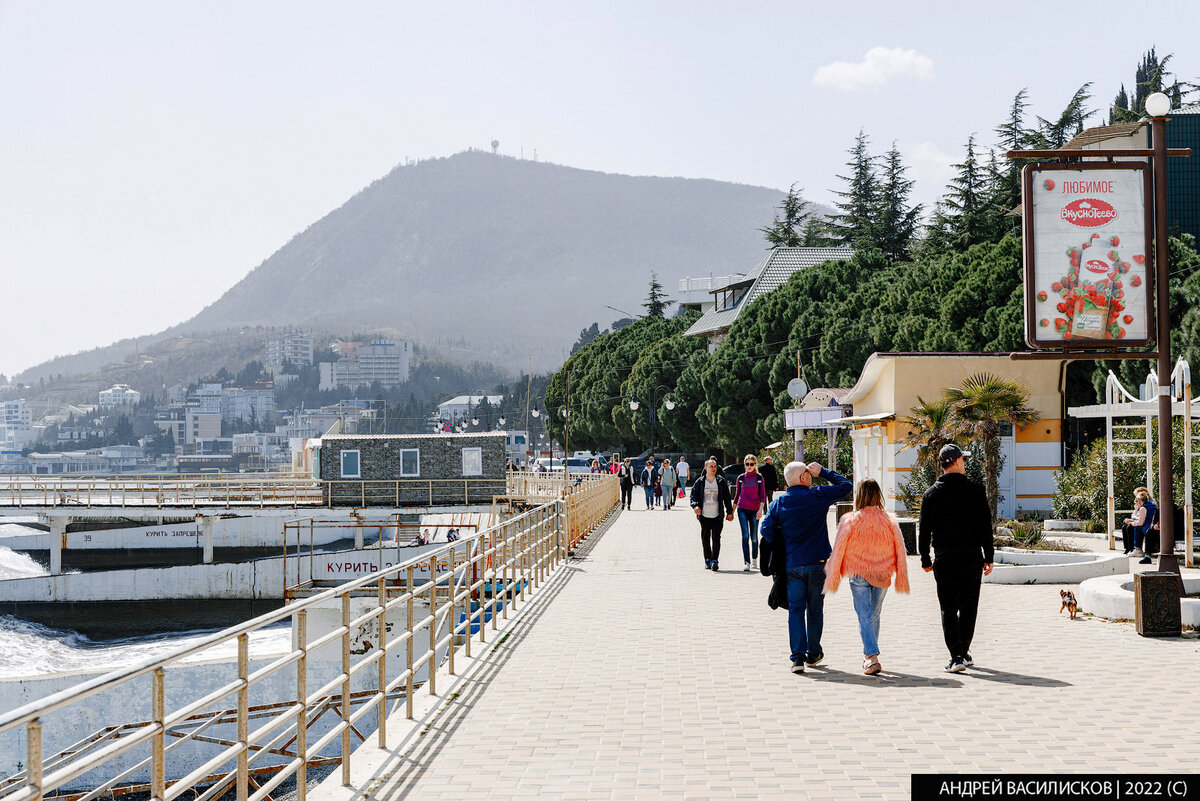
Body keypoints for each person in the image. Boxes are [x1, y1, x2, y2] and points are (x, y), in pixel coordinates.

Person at [760, 461, 853, 673]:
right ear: (803, 478)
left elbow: (766, 530)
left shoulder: (778, 503)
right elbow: (846, 485)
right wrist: (824, 472)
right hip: (817, 563)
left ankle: (797, 659)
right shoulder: (817, 496)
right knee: (815, 610)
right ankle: (813, 653)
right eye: (808, 474)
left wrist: (784, 542)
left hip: (792, 564)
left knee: (795, 610)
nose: (811, 476)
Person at [918, 444, 994, 674]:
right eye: (963, 458)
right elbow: (985, 526)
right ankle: (962, 652)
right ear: (958, 461)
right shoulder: (976, 490)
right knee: (969, 606)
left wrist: (924, 558)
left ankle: (957, 654)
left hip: (945, 558)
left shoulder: (931, 493)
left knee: (948, 608)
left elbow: (924, 529)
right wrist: (988, 556)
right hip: (971, 557)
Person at [823, 479, 910, 675]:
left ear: (859, 495)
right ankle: (869, 658)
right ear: (878, 495)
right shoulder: (889, 520)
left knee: (864, 617)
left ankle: (872, 657)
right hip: (883, 572)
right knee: (874, 616)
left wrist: (832, 575)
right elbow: (900, 549)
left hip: (859, 573)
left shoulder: (850, 519)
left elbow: (838, 549)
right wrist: (901, 575)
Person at [690, 457, 733, 570]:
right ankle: (707, 560)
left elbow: (727, 498)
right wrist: (695, 506)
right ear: (706, 468)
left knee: (716, 537)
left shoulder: (720, 481)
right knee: (705, 538)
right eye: (711, 466)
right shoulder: (700, 482)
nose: (713, 468)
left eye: (715, 466)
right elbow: (693, 495)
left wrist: (729, 512)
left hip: (717, 515)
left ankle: (715, 560)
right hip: (704, 515)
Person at [734, 454, 768, 571]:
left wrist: (760, 510)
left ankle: (754, 559)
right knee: (745, 536)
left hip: (755, 510)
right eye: (747, 464)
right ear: (745, 464)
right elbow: (737, 494)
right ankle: (746, 562)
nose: (749, 466)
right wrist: (731, 511)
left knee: (754, 537)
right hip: (742, 508)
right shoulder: (741, 478)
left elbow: (763, 496)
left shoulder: (759, 478)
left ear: (755, 465)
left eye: (751, 464)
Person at [1121, 487, 1157, 561]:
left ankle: (1138, 549)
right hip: (1151, 525)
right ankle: (1130, 548)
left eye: (1136, 502)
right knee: (1127, 527)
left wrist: (1132, 523)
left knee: (1137, 528)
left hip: (1148, 526)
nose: (1136, 504)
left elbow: (1140, 523)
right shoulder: (1151, 505)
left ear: (1139, 501)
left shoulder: (1143, 508)